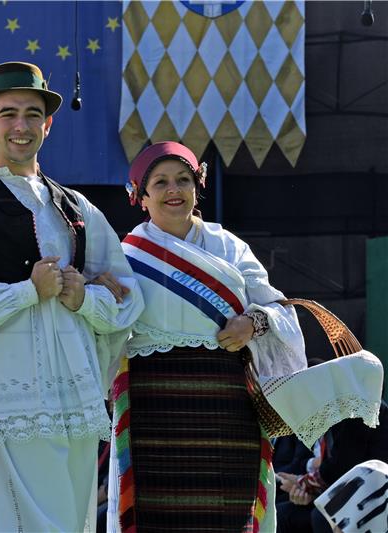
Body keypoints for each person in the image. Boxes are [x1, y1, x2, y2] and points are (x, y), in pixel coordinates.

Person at [0, 61, 145, 532]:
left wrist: (84, 298)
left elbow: (127, 299)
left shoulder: (77, 209)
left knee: (69, 521)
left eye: (32, 114)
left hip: (73, 400)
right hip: (4, 400)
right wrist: (25, 292)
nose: (21, 126)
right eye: (8, 114)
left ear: (48, 123)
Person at [105, 141, 308, 533]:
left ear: (197, 187)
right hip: (152, 409)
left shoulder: (228, 246)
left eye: (183, 179)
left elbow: (280, 309)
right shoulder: (123, 256)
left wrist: (253, 323)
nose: (173, 190)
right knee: (155, 516)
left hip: (227, 407)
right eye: (160, 182)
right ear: (141, 197)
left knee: (228, 515)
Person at [276, 401, 388, 532]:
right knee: (282, 513)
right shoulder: (338, 410)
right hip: (346, 494)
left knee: (320, 518)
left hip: (372, 500)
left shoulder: (360, 407)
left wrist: (304, 484)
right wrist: (303, 485)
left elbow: (340, 470)